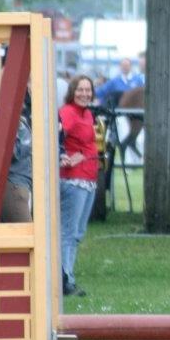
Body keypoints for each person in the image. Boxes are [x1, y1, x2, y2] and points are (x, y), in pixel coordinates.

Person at [59, 74, 99, 296]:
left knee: (78, 233)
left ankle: (68, 275)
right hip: (74, 180)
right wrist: (62, 155)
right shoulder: (68, 112)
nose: (85, 94)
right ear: (72, 91)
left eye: (88, 90)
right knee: (68, 232)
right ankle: (64, 279)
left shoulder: (88, 114)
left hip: (88, 180)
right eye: (80, 90)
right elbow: (56, 133)